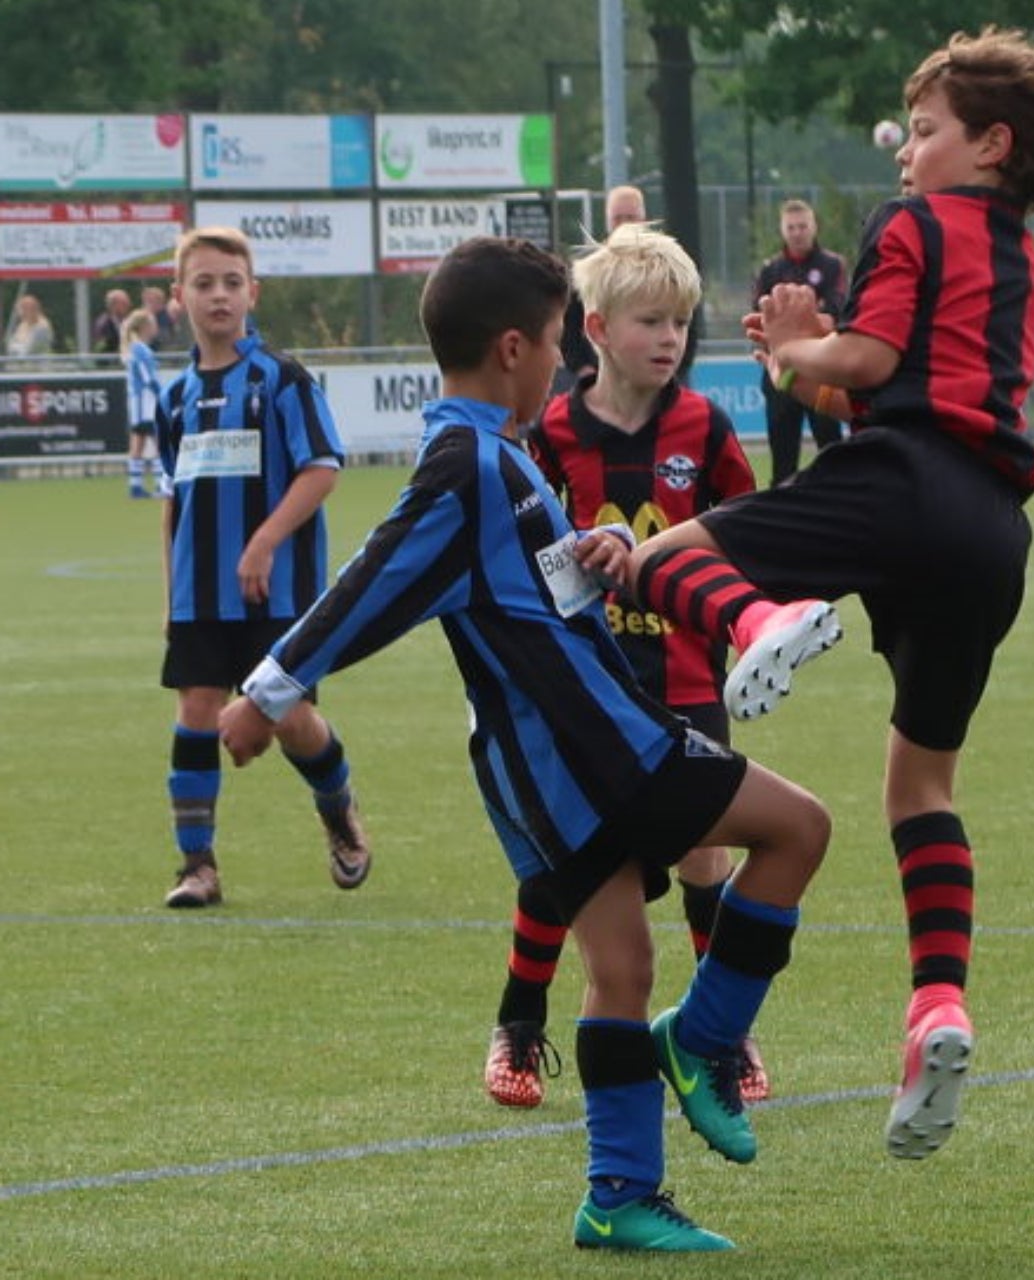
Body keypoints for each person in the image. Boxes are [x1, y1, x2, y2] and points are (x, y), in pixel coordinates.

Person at [217, 235, 830, 1253]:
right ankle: (704, 1040)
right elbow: (373, 581)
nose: (561, 362)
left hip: (547, 764)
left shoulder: (497, 456)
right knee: (799, 829)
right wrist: (266, 691)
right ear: (513, 348)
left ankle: (619, 1194)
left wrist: (605, 552)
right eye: (554, 342)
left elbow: (528, 590)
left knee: (622, 965)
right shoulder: (467, 466)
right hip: (597, 747)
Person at [582, 26, 1034, 1162]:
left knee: (660, 559)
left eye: (924, 130)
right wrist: (815, 361)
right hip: (992, 528)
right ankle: (936, 1005)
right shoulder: (1023, 257)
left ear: (990, 145)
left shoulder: (912, 224)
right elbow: (902, 384)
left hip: (901, 483)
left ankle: (765, 620)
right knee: (921, 785)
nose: (906, 153)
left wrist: (802, 349)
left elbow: (868, 366)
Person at [483, 221, 768, 1111]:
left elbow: (746, 526)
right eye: (651, 321)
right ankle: (519, 1021)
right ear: (599, 330)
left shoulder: (703, 426)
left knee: (705, 855)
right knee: (567, 859)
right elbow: (518, 548)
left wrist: (744, 610)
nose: (669, 338)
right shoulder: (552, 432)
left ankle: (720, 1035)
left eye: (680, 322)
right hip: (588, 688)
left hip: (686, 676)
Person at [153, 227, 371, 908]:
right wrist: (172, 591)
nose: (218, 295)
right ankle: (198, 866)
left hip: (279, 588)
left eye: (231, 282)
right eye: (203, 283)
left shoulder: (282, 379)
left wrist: (264, 541)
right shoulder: (174, 397)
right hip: (200, 593)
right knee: (196, 708)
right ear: (179, 296)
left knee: (288, 717)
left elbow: (321, 468)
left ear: (253, 292)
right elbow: (174, 501)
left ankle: (338, 808)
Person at [753, 199, 848, 483]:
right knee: (783, 457)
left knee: (831, 449)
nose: (797, 233)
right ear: (782, 230)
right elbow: (761, 314)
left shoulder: (832, 265)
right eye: (791, 227)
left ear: (814, 227)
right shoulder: (770, 269)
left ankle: (839, 501)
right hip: (782, 372)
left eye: (802, 226)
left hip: (822, 369)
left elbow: (836, 308)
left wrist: (792, 318)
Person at [556, 185, 648, 392]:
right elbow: (568, 324)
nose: (624, 225)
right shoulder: (587, 269)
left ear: (643, 220)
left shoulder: (665, 265)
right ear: (608, 222)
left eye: (630, 217)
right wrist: (581, 366)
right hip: (597, 379)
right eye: (618, 218)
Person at [122, 308, 169, 500]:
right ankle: (160, 484)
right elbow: (147, 377)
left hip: (140, 404)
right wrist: (162, 393)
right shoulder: (139, 349)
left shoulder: (136, 348)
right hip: (146, 404)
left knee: (138, 442)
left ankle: (135, 486)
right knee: (158, 441)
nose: (155, 327)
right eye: (152, 323)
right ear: (145, 327)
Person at [6, 292, 55, 360]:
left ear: (29, 309)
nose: (19, 314)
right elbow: (10, 346)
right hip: (18, 363)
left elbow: (30, 351)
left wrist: (15, 348)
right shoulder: (23, 324)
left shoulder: (42, 327)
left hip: (36, 365)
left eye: (21, 310)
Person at [92, 288, 132, 354]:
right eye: (124, 303)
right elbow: (102, 348)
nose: (128, 306)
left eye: (128, 303)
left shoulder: (130, 322)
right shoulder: (103, 324)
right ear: (113, 305)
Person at [142, 285, 182, 350]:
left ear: (160, 302)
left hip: (165, 351)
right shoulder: (143, 317)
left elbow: (163, 338)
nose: (146, 305)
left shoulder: (167, 316)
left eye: (150, 301)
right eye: (145, 301)